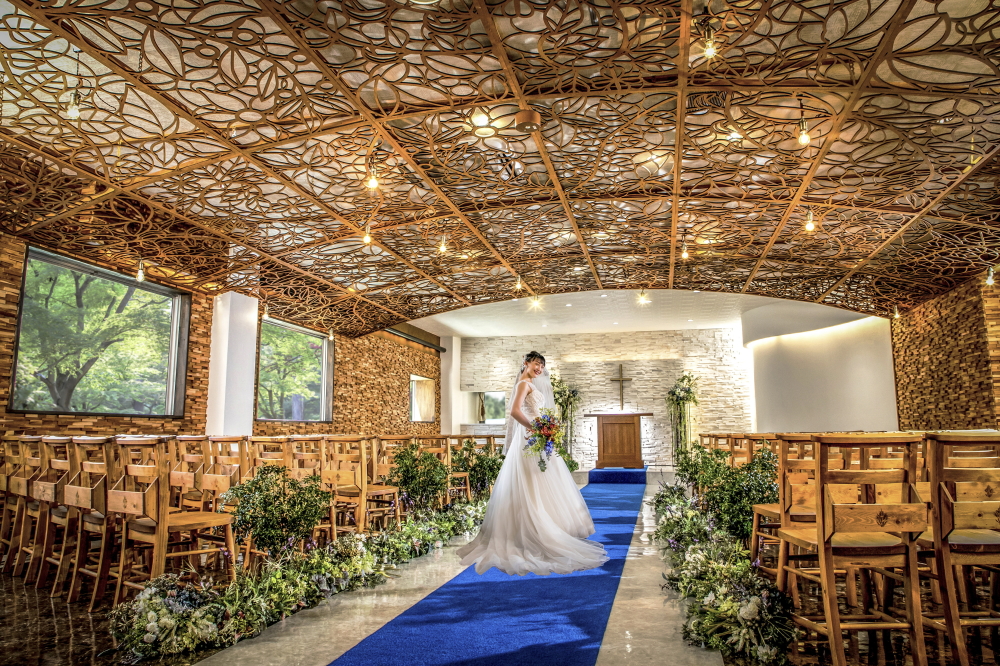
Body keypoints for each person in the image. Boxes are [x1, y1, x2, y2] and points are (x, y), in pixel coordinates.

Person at [457, 351, 608, 575]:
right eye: (536, 364)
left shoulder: (530, 384)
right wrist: (536, 428)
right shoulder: (523, 384)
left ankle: (547, 526)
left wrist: (545, 427)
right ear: (526, 363)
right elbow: (514, 411)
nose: (539, 369)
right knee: (530, 482)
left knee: (541, 480)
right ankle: (531, 531)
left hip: (537, 437)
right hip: (529, 437)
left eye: (542, 366)